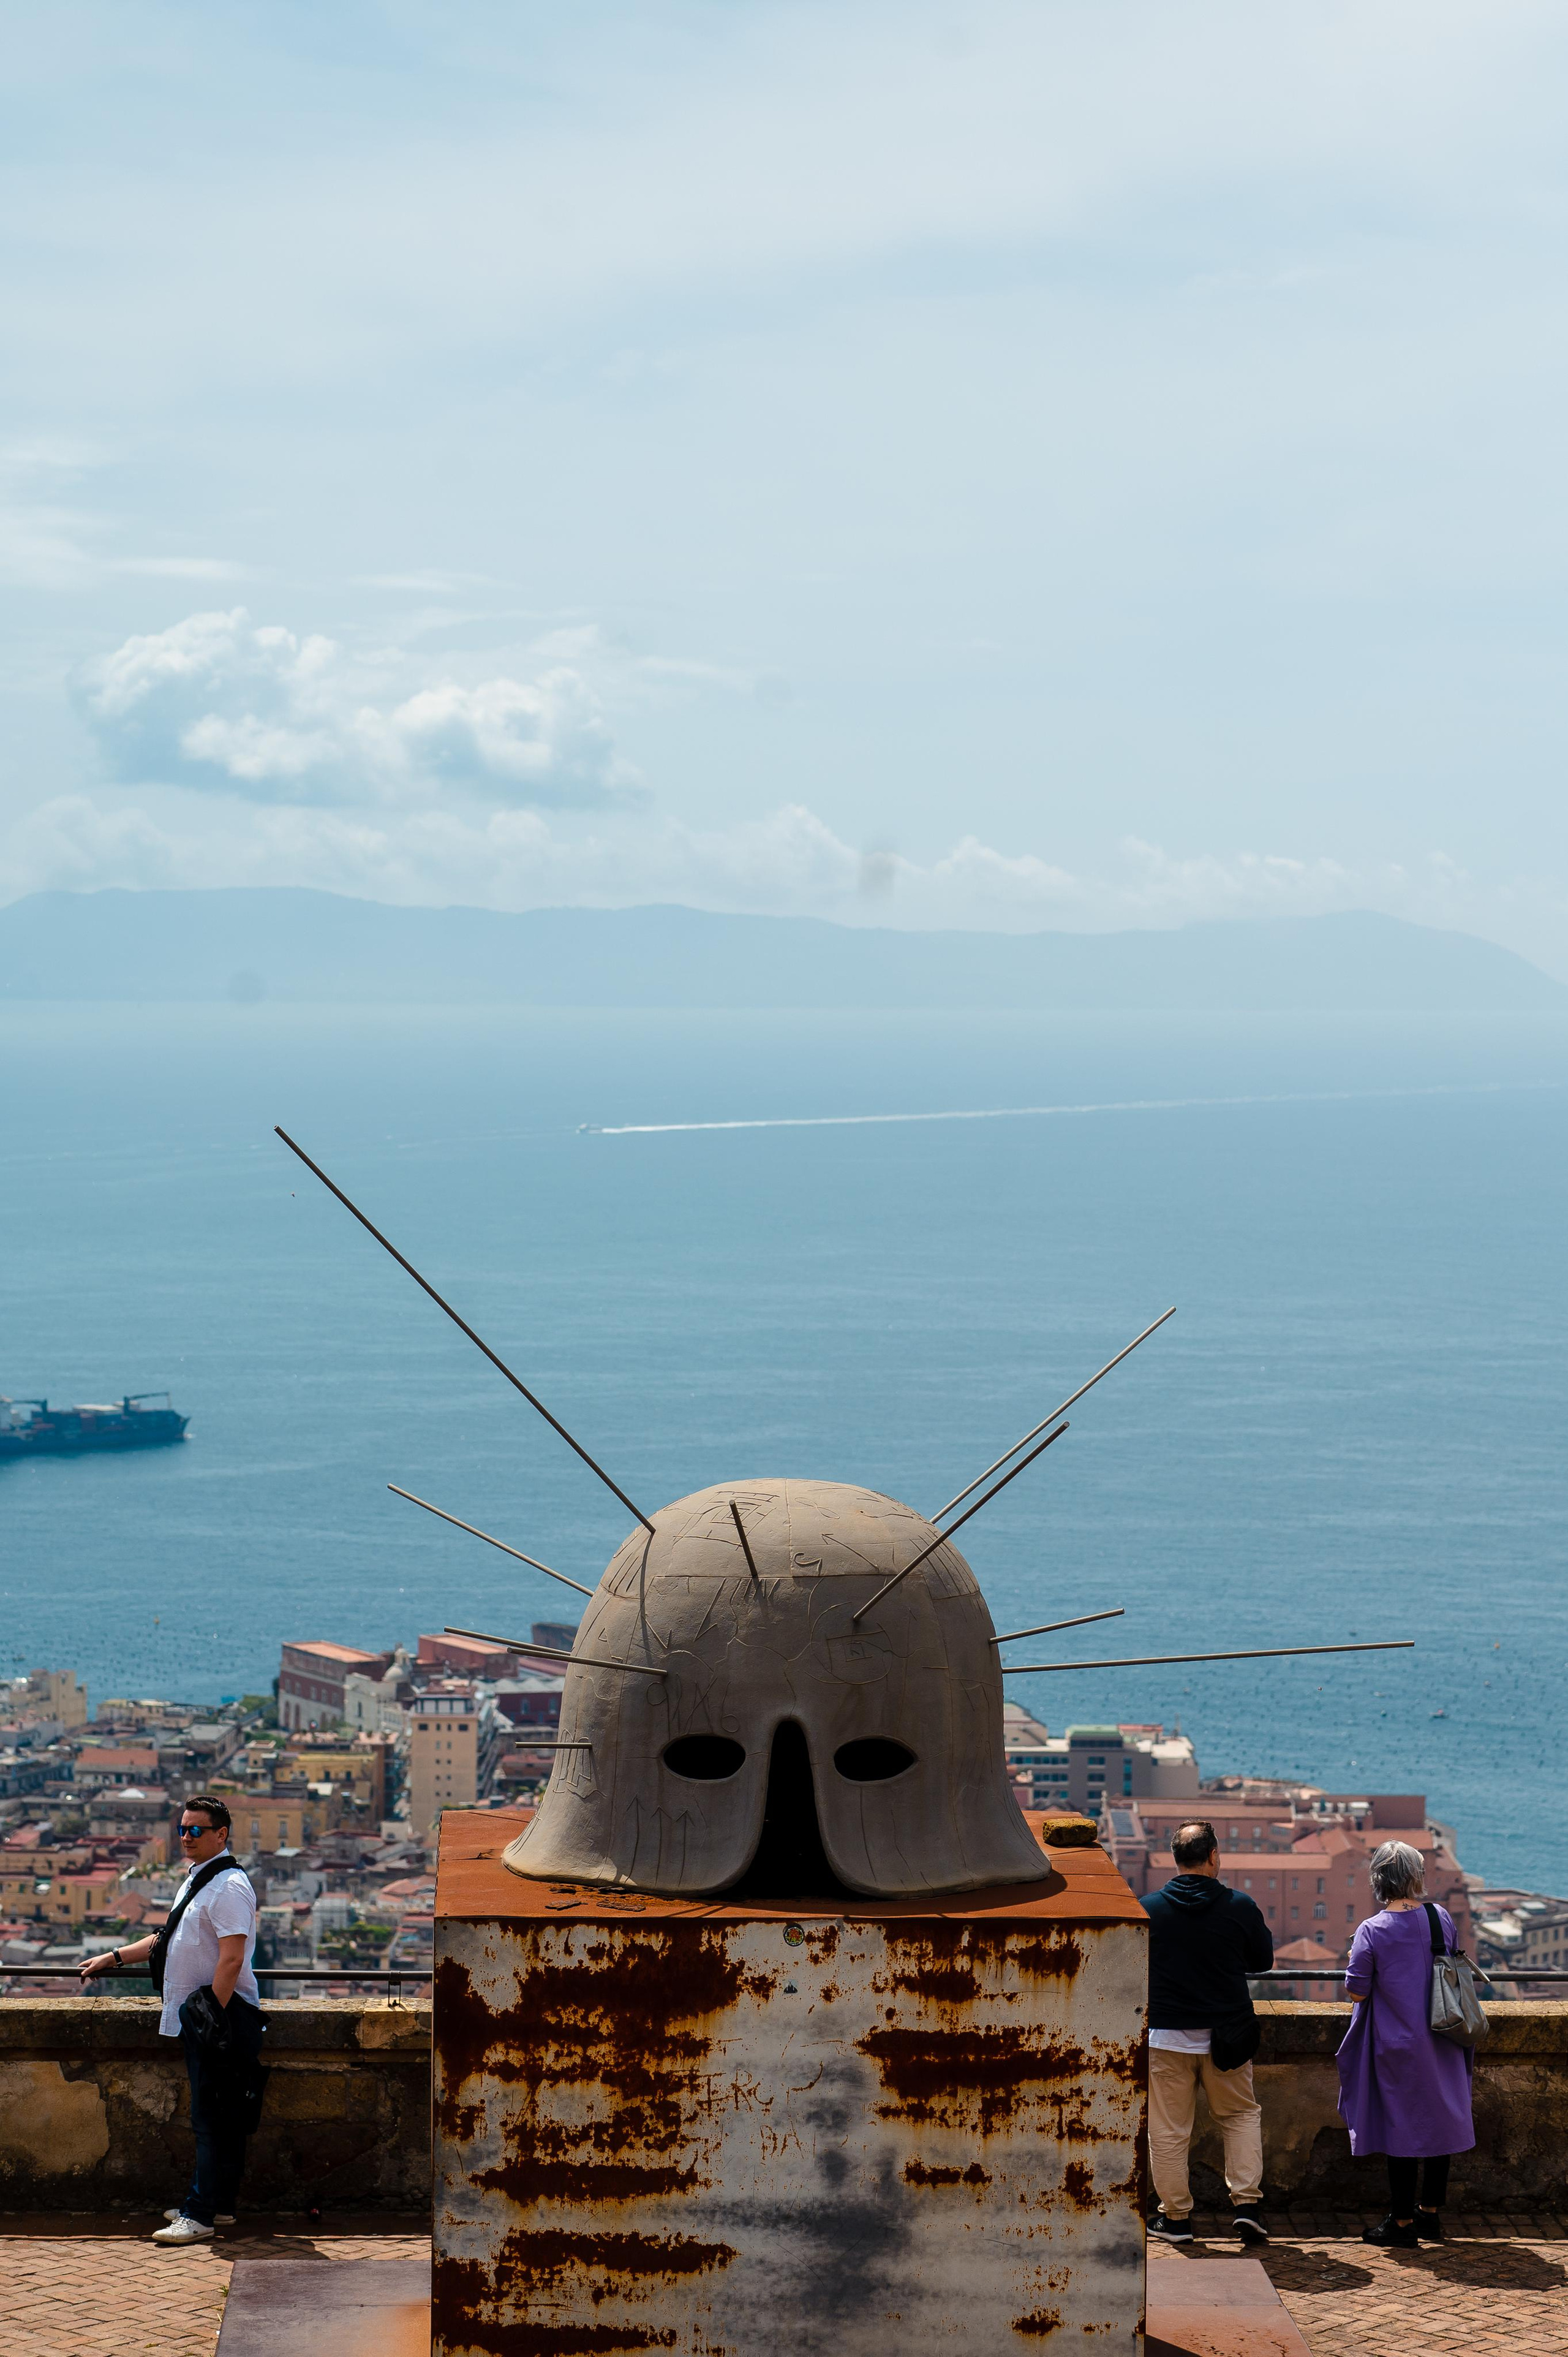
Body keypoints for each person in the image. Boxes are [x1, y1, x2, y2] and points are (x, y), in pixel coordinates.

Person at [81, 1794, 266, 2244]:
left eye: (196, 1829)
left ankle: (198, 2213)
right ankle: (218, 2205)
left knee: (209, 2117)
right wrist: (114, 1957)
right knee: (220, 2115)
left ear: (220, 1834)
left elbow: (232, 1959)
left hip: (219, 2020)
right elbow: (169, 1935)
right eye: (183, 1828)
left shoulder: (229, 1887)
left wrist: (209, 2019)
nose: (186, 1836)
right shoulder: (198, 1880)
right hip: (206, 2017)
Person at [1336, 1837, 1474, 2247]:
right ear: (1416, 1877)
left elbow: (1357, 1991)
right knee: (1438, 2121)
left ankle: (1399, 2223)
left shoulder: (1372, 1930)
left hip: (1397, 2043)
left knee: (1401, 2127)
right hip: (1444, 2033)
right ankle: (1429, 2214)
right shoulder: (1440, 1918)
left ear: (1378, 1880)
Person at [1143, 1817, 1274, 2245]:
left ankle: (1177, 2219)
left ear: (1175, 1859)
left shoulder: (1149, 1909)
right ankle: (1247, 2206)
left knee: (1168, 2130)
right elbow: (1263, 1960)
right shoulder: (1239, 1906)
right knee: (1239, 2116)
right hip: (1228, 2036)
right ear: (1214, 1856)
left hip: (1167, 2036)